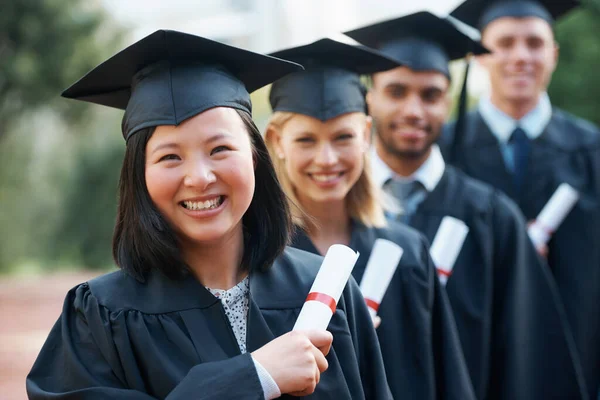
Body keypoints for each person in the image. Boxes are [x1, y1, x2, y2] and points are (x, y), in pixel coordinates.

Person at [26, 30, 392, 399]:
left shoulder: (325, 290)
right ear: (140, 175)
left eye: (220, 149)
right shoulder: (101, 317)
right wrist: (255, 376)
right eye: (170, 156)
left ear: (255, 156)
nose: (200, 177)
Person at [345, 11, 587, 400]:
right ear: (368, 98)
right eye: (396, 91)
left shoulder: (491, 217)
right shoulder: (328, 213)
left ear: (448, 101)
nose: (413, 111)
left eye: (431, 95)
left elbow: (530, 358)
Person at [264, 37, 476, 400]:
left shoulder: (407, 252)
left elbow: (446, 378)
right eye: (306, 141)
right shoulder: (261, 264)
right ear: (277, 141)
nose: (327, 159)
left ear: (365, 133)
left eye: (343, 137)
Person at [442, 1, 600, 397]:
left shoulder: (592, 151)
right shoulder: (443, 151)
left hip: (578, 358)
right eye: (505, 43)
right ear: (479, 55)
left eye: (534, 43)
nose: (521, 57)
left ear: (554, 54)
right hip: (475, 361)